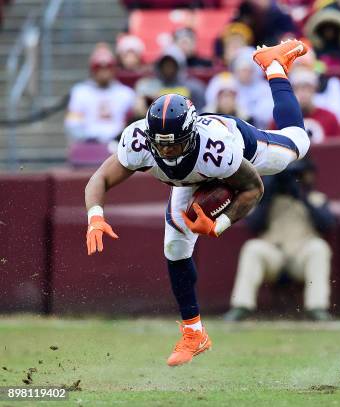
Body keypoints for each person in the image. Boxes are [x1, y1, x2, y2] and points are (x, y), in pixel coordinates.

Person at [84, 39, 310, 367]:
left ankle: (274, 65)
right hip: (191, 180)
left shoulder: (218, 149)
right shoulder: (139, 141)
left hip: (240, 148)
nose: (166, 151)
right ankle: (194, 333)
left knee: (299, 142)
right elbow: (100, 179)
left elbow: (253, 189)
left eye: (174, 144)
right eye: (160, 144)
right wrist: (95, 215)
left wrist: (220, 224)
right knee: (175, 246)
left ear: (189, 136)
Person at [224, 159, 335, 322]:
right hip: (274, 254)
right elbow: (254, 225)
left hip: (301, 256)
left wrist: (300, 195)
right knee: (252, 248)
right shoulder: (265, 201)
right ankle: (242, 306)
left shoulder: (316, 198)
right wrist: (268, 193)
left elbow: (326, 224)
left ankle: (317, 308)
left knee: (319, 248)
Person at [65, 44, 135, 145]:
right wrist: (86, 139)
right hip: (88, 143)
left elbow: (133, 121)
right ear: (92, 70)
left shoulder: (126, 93)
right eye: (99, 68)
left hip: (118, 143)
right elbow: (72, 123)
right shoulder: (80, 92)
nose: (104, 72)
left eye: (108, 67)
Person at [133, 45, 207, 117]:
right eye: (165, 65)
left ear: (180, 66)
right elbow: (139, 111)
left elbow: (201, 112)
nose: (168, 68)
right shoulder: (148, 87)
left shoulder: (195, 87)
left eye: (172, 65)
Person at [288, 68, 340, 142]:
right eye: (297, 88)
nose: (303, 93)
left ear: (315, 89)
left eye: (308, 88)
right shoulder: (282, 119)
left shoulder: (330, 118)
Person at [229, 47, 275, 128]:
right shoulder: (228, 84)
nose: (245, 74)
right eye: (242, 70)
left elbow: (267, 113)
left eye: (248, 70)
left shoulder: (264, 88)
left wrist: (248, 115)